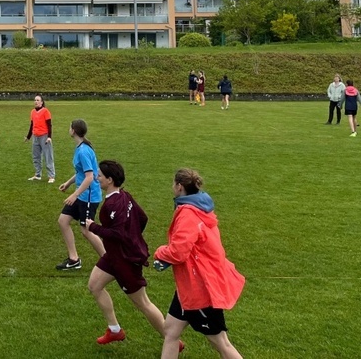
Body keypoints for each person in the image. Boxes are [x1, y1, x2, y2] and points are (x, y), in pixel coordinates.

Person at [154, 168, 245, 359]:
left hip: (201, 288)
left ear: (179, 187)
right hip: (189, 286)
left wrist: (160, 252)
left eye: (173, 184)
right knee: (170, 330)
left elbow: (178, 252)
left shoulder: (188, 214)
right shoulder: (200, 206)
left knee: (220, 343)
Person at [84, 160, 168, 347]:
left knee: (143, 303)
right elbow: (142, 218)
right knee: (94, 286)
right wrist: (134, 236)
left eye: (100, 176)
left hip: (125, 261)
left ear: (110, 180)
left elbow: (117, 234)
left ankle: (171, 340)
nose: (97, 178)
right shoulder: (125, 196)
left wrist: (93, 227)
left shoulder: (110, 206)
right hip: (113, 257)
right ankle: (115, 330)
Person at [55, 119, 106, 271]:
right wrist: (68, 183)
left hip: (88, 196)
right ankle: (74, 259)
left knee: (86, 230)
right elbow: (81, 172)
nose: (68, 129)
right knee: (63, 221)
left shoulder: (83, 151)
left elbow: (90, 177)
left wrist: (74, 195)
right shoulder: (81, 147)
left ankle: (110, 261)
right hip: (82, 194)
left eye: (70, 127)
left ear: (74, 131)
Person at [25, 95, 56, 183]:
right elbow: (32, 125)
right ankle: (38, 174)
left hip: (44, 136)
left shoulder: (45, 111)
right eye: (35, 100)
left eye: (38, 100)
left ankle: (51, 176)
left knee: (48, 156)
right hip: (35, 136)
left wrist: (49, 137)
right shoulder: (33, 112)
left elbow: (49, 125)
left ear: (42, 102)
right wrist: (28, 137)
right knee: (36, 156)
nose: (36, 102)